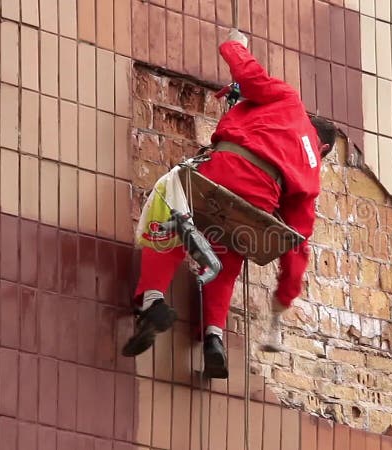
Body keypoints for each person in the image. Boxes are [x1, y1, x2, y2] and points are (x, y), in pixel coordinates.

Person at [121, 28, 337, 380]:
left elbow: (250, 75)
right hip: (256, 205)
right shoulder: (313, 175)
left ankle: (152, 300)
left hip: (222, 172)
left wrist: (235, 45)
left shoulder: (289, 103)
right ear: (323, 149)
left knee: (173, 209)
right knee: (226, 255)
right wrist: (284, 296)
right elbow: (298, 244)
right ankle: (213, 337)